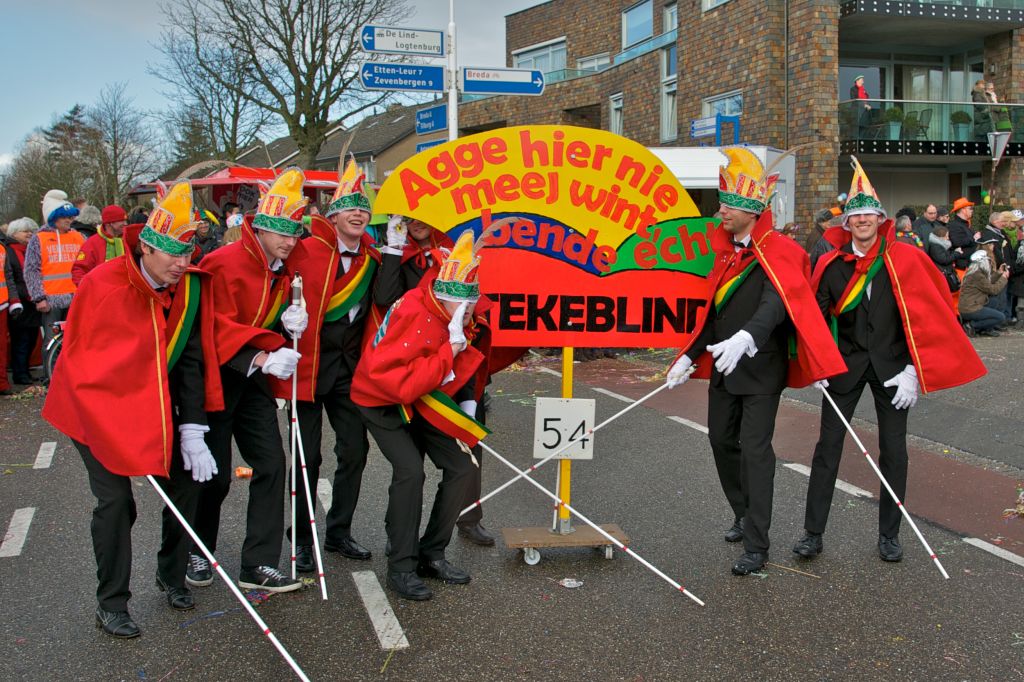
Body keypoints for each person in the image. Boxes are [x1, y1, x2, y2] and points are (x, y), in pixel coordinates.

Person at [41, 182, 224, 639]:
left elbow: (190, 359)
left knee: (187, 482)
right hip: (92, 410)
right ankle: (111, 603)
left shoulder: (188, 287)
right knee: (116, 501)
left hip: (154, 404)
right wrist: (120, 435)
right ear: (146, 247)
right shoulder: (102, 285)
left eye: (188, 253)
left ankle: (171, 573)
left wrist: (193, 427)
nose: (182, 263)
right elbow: (82, 367)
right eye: (173, 254)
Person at [793, 158, 985, 564]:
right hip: (843, 367)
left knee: (894, 452)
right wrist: (816, 363)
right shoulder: (830, 264)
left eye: (869, 214)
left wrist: (914, 370)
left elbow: (929, 316)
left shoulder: (906, 258)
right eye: (855, 215)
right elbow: (815, 319)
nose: (862, 220)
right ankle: (812, 533)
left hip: (894, 369)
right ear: (846, 223)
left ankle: (889, 535)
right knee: (827, 449)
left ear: (881, 220)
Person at [664, 148, 846, 576]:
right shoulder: (725, 252)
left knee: (756, 452)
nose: (721, 211)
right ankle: (742, 512)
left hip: (761, 368)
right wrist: (688, 355)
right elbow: (714, 313)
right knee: (720, 441)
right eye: (722, 203)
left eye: (729, 205)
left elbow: (777, 302)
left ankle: (757, 544)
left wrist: (748, 337)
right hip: (724, 368)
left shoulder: (781, 250)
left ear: (752, 210)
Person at [352, 230, 493, 600]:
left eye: (472, 302)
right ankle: (401, 565)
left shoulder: (456, 315)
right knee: (410, 471)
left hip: (424, 397)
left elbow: (459, 366)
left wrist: (467, 402)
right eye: (463, 303)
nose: (470, 310)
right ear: (444, 296)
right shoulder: (413, 311)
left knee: (462, 467)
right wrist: (451, 350)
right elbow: (401, 384)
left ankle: (432, 553)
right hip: (380, 399)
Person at [189, 169, 306, 593]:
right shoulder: (222, 262)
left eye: (295, 233)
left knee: (272, 464)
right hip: (218, 377)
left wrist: (289, 324)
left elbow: (263, 320)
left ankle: (258, 562)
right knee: (214, 475)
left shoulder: (283, 270)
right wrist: (260, 356)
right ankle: (196, 550)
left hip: (256, 381)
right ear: (262, 228)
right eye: (283, 233)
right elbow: (211, 325)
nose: (290, 241)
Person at [276, 160, 382, 572]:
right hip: (307, 368)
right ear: (333, 215)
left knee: (355, 450)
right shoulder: (304, 252)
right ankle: (301, 538)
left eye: (363, 208)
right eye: (350, 208)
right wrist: (283, 324)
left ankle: (338, 531)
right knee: (307, 458)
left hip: (348, 372)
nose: (358, 214)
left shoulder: (372, 259)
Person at [24, 192, 85, 349]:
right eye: (64, 217)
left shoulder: (79, 237)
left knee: (76, 340)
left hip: (76, 297)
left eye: (70, 217)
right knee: (52, 342)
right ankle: (50, 366)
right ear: (53, 217)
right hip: (51, 301)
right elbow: (31, 270)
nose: (68, 220)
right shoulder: (38, 239)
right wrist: (39, 298)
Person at [2, 218, 42, 385]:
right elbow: (11, 277)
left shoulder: (30, 250)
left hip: (32, 300)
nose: (29, 234)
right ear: (14, 233)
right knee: (21, 340)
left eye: (31, 230)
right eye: (25, 231)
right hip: (19, 301)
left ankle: (24, 371)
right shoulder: (9, 251)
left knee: (31, 338)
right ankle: (20, 373)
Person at [71, 205, 129, 286]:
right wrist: (89, 288)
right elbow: (79, 270)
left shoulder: (127, 241)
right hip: (102, 291)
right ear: (109, 223)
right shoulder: (92, 243)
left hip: (124, 290)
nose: (125, 224)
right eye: (121, 221)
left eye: (125, 220)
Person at [959, 248, 1009, 337]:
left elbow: (987, 284)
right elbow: (993, 290)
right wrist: (1003, 278)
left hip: (968, 306)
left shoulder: (975, 273)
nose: (989, 263)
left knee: (993, 301)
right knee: (1000, 317)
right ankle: (971, 326)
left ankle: (985, 329)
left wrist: (999, 273)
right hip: (971, 309)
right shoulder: (978, 275)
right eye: (987, 261)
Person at [926, 225, 960, 294]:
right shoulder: (935, 247)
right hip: (943, 274)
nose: (948, 238)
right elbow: (944, 260)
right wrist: (956, 253)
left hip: (946, 272)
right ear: (940, 237)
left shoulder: (940, 244)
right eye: (946, 236)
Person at [947, 197, 976, 269]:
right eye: (970, 208)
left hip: (970, 265)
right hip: (962, 266)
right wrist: (974, 238)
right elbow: (957, 242)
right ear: (963, 210)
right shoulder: (954, 225)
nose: (972, 210)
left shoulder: (966, 224)